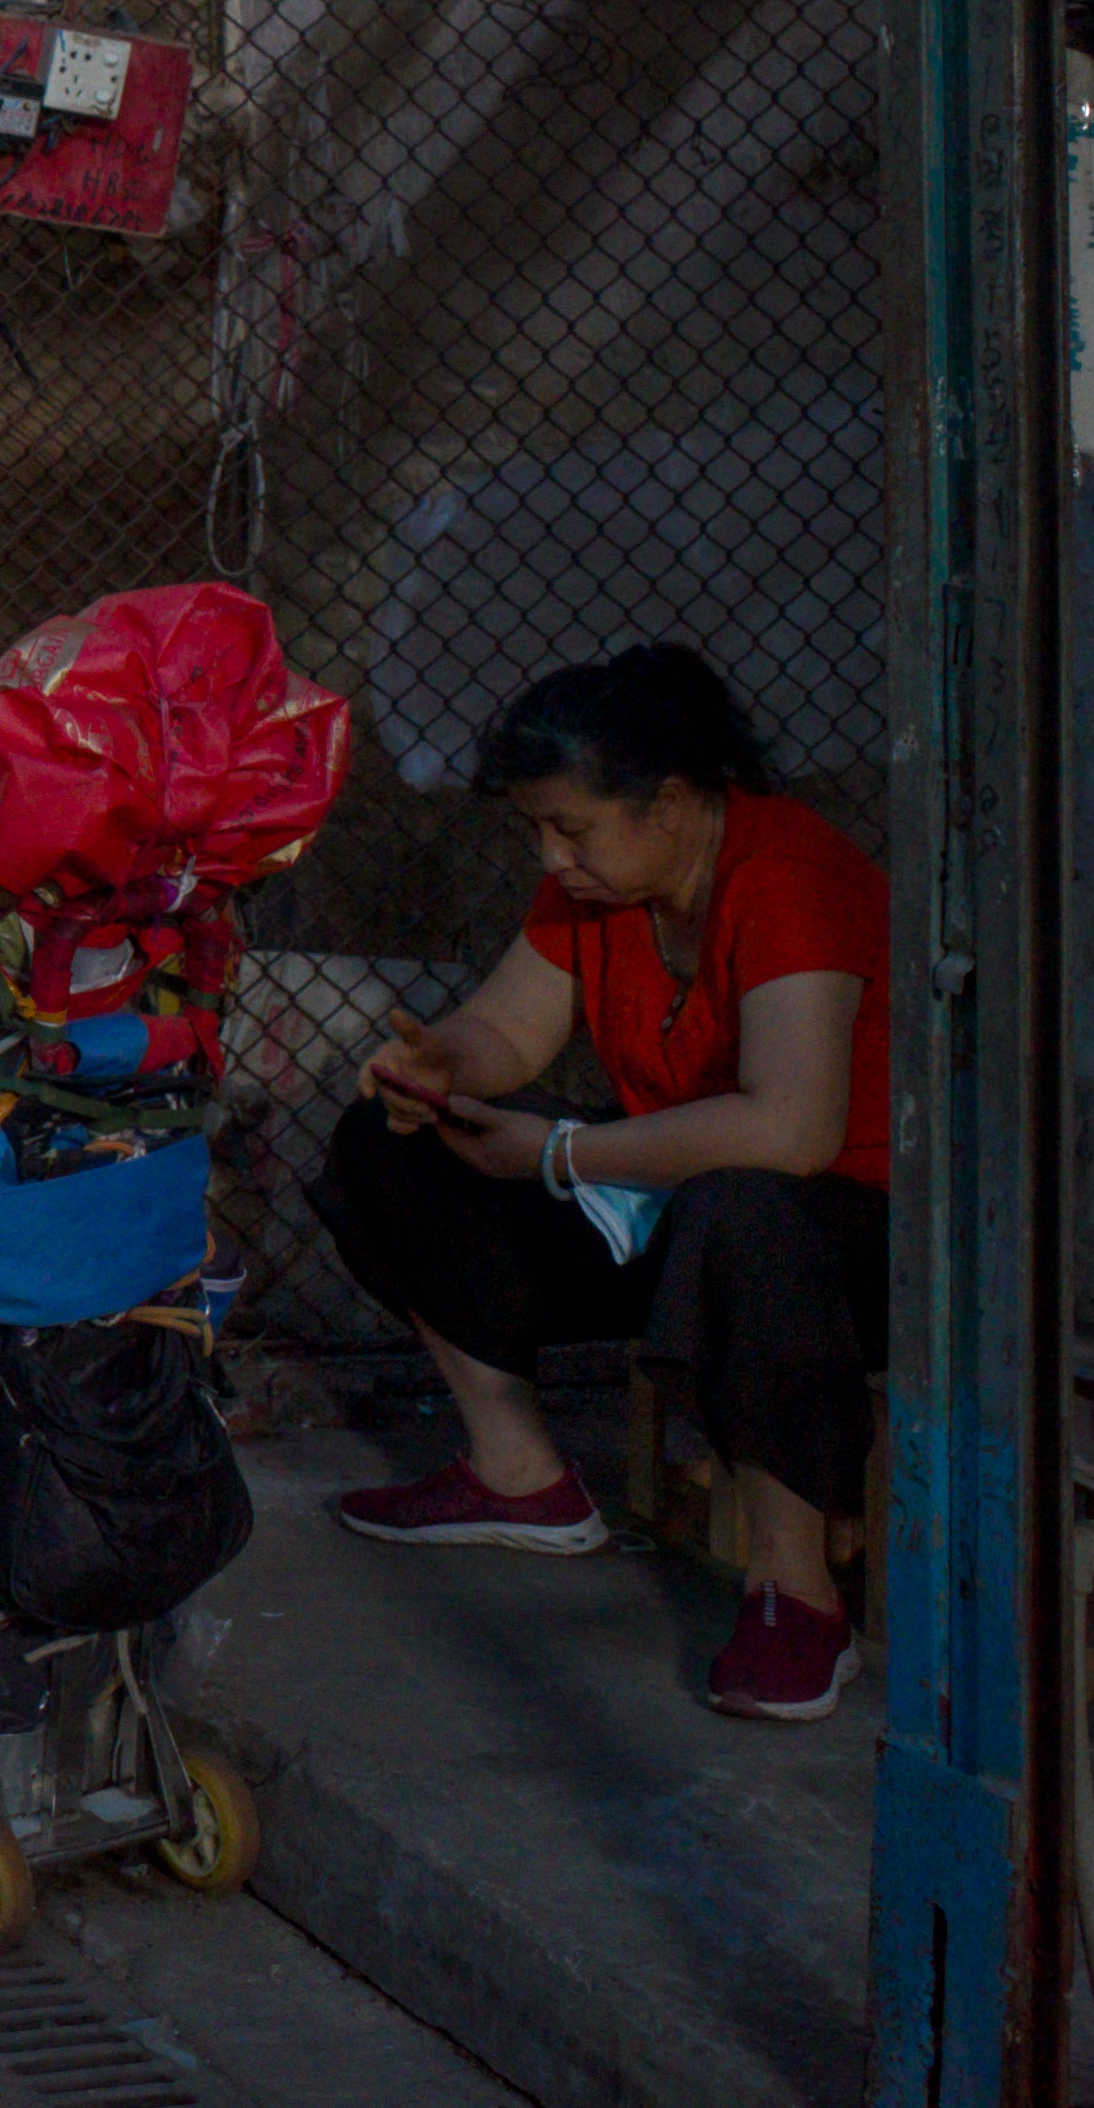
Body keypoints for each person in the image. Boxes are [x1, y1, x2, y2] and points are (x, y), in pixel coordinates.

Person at [314, 644, 888, 1724]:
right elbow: (508, 1029)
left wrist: (560, 1153)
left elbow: (793, 1127)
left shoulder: (788, 876)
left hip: (849, 1235)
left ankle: (796, 1593)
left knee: (743, 1203)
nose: (551, 852)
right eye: (538, 828)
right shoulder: (600, 890)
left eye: (570, 827)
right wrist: (438, 1063)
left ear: (671, 801)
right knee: (386, 1140)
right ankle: (517, 1470)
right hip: (679, 1201)